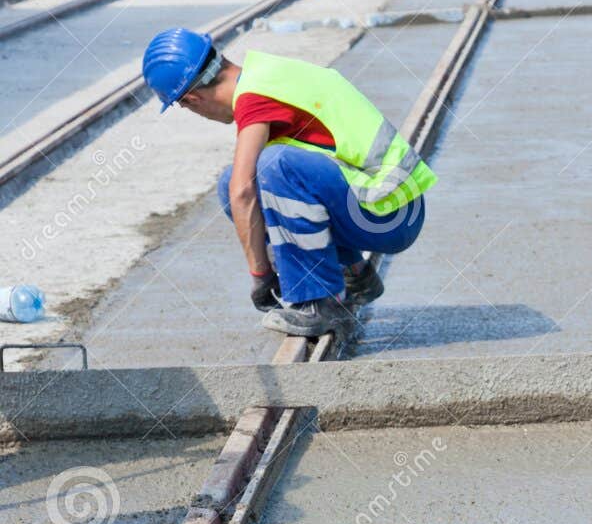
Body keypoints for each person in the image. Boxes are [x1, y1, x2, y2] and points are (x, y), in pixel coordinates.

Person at [141, 29, 436, 338]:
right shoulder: (265, 74)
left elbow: (243, 192)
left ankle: (316, 302)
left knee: (272, 166)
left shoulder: (255, 98)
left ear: (192, 99)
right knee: (239, 177)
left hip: (391, 216)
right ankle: (354, 273)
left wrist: (260, 274)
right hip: (389, 206)